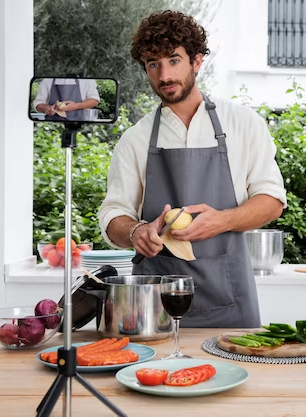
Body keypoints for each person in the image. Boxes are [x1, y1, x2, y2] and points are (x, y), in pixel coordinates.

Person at [98, 10, 287, 328]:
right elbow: (113, 215)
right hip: (153, 306)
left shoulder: (242, 123)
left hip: (230, 301)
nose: (164, 76)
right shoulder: (135, 139)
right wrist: (135, 232)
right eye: (152, 64)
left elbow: (272, 201)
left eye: (173, 60)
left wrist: (221, 221)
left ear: (196, 62)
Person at [32, 78, 100, 121]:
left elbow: (94, 100)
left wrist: (76, 106)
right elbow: (38, 104)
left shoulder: (87, 79)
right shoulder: (47, 80)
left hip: (79, 125)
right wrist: (46, 108)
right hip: (52, 125)